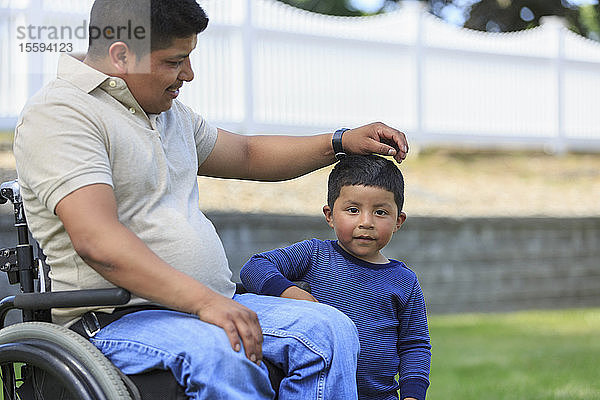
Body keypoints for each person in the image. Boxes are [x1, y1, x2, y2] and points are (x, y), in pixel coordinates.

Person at [13, 0, 410, 399]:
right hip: (116, 320)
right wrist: (205, 303)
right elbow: (97, 241)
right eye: (175, 61)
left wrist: (339, 141)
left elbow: (248, 154)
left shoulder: (167, 114)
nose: (188, 73)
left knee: (329, 329)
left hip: (205, 304)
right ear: (121, 56)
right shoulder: (62, 114)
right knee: (225, 352)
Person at [240, 155, 431, 400]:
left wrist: (413, 395)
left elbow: (414, 345)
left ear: (398, 221)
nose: (366, 222)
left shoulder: (404, 281)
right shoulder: (314, 254)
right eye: (353, 210)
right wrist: (291, 293)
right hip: (318, 391)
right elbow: (255, 267)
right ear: (330, 215)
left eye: (380, 212)